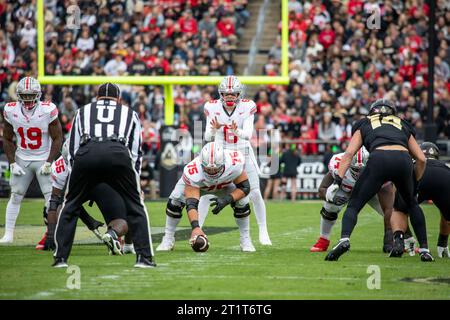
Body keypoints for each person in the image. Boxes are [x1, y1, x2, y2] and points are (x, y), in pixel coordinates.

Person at [52, 83, 155, 268]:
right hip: (117, 152)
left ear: (97, 98)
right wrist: (136, 183)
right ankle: (144, 258)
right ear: (118, 99)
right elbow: (135, 151)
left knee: (70, 205)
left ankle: (60, 258)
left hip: (87, 151)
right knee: (136, 206)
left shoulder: (83, 111)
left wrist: (78, 177)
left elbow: (73, 147)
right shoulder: (129, 113)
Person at [324, 99, 433, 261]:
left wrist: (337, 181)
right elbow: (422, 159)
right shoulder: (401, 122)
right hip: (403, 159)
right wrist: (414, 184)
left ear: (372, 111)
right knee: (411, 204)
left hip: (379, 158)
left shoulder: (364, 122)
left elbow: (348, 154)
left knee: (354, 205)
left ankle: (344, 239)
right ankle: (425, 250)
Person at [200, 75, 272, 246]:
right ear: (221, 94)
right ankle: (198, 231)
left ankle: (263, 231)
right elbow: (207, 136)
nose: (229, 97)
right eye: (226, 93)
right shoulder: (212, 106)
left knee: (254, 192)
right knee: (207, 192)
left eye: (233, 94)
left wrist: (236, 131)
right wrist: (213, 128)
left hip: (242, 150)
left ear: (239, 94)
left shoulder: (247, 106)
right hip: (221, 153)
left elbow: (248, 134)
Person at [157, 142, 255, 252]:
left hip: (224, 185)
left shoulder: (234, 162)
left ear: (223, 162)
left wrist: (227, 200)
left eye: (215, 169)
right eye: (208, 169)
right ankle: (168, 239)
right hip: (200, 186)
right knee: (175, 199)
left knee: (242, 201)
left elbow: (245, 187)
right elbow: (191, 204)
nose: (212, 172)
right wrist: (196, 227)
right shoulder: (193, 171)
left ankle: (245, 239)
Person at [42, 140, 134, 255]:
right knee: (124, 215)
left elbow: (56, 201)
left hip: (80, 183)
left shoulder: (60, 166)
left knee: (61, 207)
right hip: (103, 183)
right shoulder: (106, 154)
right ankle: (114, 235)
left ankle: (59, 244)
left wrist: (51, 235)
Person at [1, 76, 62, 244]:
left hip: (43, 158)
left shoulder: (47, 110)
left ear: (38, 94)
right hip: (22, 158)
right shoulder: (10, 110)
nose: (27, 98)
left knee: (51, 198)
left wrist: (50, 161)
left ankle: (52, 236)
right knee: (15, 195)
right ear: (18, 95)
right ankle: (8, 234)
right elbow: (6, 138)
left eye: (31, 95)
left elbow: (58, 138)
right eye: (24, 95)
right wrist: (12, 163)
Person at [310, 147, 396, 253]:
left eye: (361, 170)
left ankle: (403, 239)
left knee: (394, 212)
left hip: (371, 191)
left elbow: (389, 207)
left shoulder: (381, 169)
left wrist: (388, 238)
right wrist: (333, 199)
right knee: (330, 206)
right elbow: (322, 190)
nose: (358, 173)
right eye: (355, 169)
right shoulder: (338, 164)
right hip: (346, 190)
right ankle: (323, 239)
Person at [392, 142, 450, 258]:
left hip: (419, 173)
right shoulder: (444, 165)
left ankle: (400, 240)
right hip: (444, 176)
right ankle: (442, 244)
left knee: (399, 210)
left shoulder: (412, 163)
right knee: (447, 215)